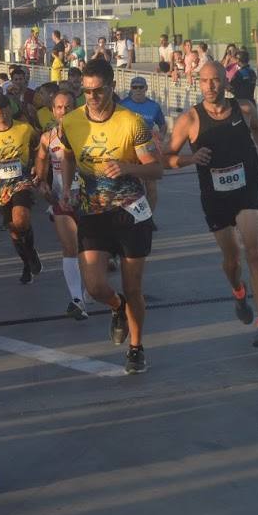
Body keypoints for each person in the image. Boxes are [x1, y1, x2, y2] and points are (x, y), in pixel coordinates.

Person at [57, 59, 163, 374]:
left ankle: (136, 347)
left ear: (111, 87)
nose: (91, 97)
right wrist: (66, 185)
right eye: (86, 91)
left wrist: (128, 167)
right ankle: (117, 308)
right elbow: (67, 153)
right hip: (93, 212)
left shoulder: (131, 122)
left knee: (133, 288)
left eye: (98, 91)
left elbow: (157, 169)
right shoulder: (72, 121)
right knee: (94, 286)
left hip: (130, 213)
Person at [166, 62, 258, 348]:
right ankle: (238, 292)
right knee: (232, 260)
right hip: (215, 197)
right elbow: (165, 159)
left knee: (254, 252)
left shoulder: (244, 109)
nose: (210, 86)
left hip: (246, 190)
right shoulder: (189, 120)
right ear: (198, 83)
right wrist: (191, 159)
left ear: (224, 83)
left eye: (215, 80)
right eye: (204, 81)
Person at [0, 95, 43, 284]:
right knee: (14, 229)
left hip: (21, 181)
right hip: (1, 186)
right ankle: (26, 262)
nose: (1, 112)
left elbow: (39, 147)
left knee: (21, 220)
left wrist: (37, 166)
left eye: (4, 108)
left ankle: (30, 253)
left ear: (10, 108)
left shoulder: (24, 128)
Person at [34, 90, 87, 320]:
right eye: (58, 107)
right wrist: (42, 183)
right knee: (70, 247)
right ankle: (77, 299)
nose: (63, 111)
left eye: (67, 107)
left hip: (88, 198)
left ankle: (88, 290)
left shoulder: (88, 133)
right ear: (52, 110)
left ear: (75, 108)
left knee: (89, 250)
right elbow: (41, 162)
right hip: (62, 199)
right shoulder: (47, 138)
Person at [118, 76, 167, 212]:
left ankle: (150, 218)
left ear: (146, 88)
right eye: (135, 87)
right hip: (129, 150)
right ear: (131, 89)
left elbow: (162, 124)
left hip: (148, 150)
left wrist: (161, 135)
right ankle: (136, 217)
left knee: (151, 187)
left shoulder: (154, 106)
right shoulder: (122, 105)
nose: (138, 90)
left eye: (141, 87)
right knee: (134, 187)